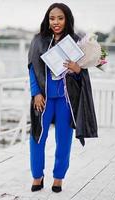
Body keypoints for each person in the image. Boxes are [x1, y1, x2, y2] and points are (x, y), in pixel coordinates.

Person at [27, 3, 98, 193]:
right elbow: (32, 68)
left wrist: (77, 70)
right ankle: (37, 176)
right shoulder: (39, 40)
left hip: (66, 99)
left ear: (67, 19)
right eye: (52, 18)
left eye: (60, 18)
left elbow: (81, 74)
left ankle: (58, 177)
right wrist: (36, 93)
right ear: (47, 20)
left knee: (63, 139)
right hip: (44, 98)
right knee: (37, 137)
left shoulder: (76, 41)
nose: (56, 22)